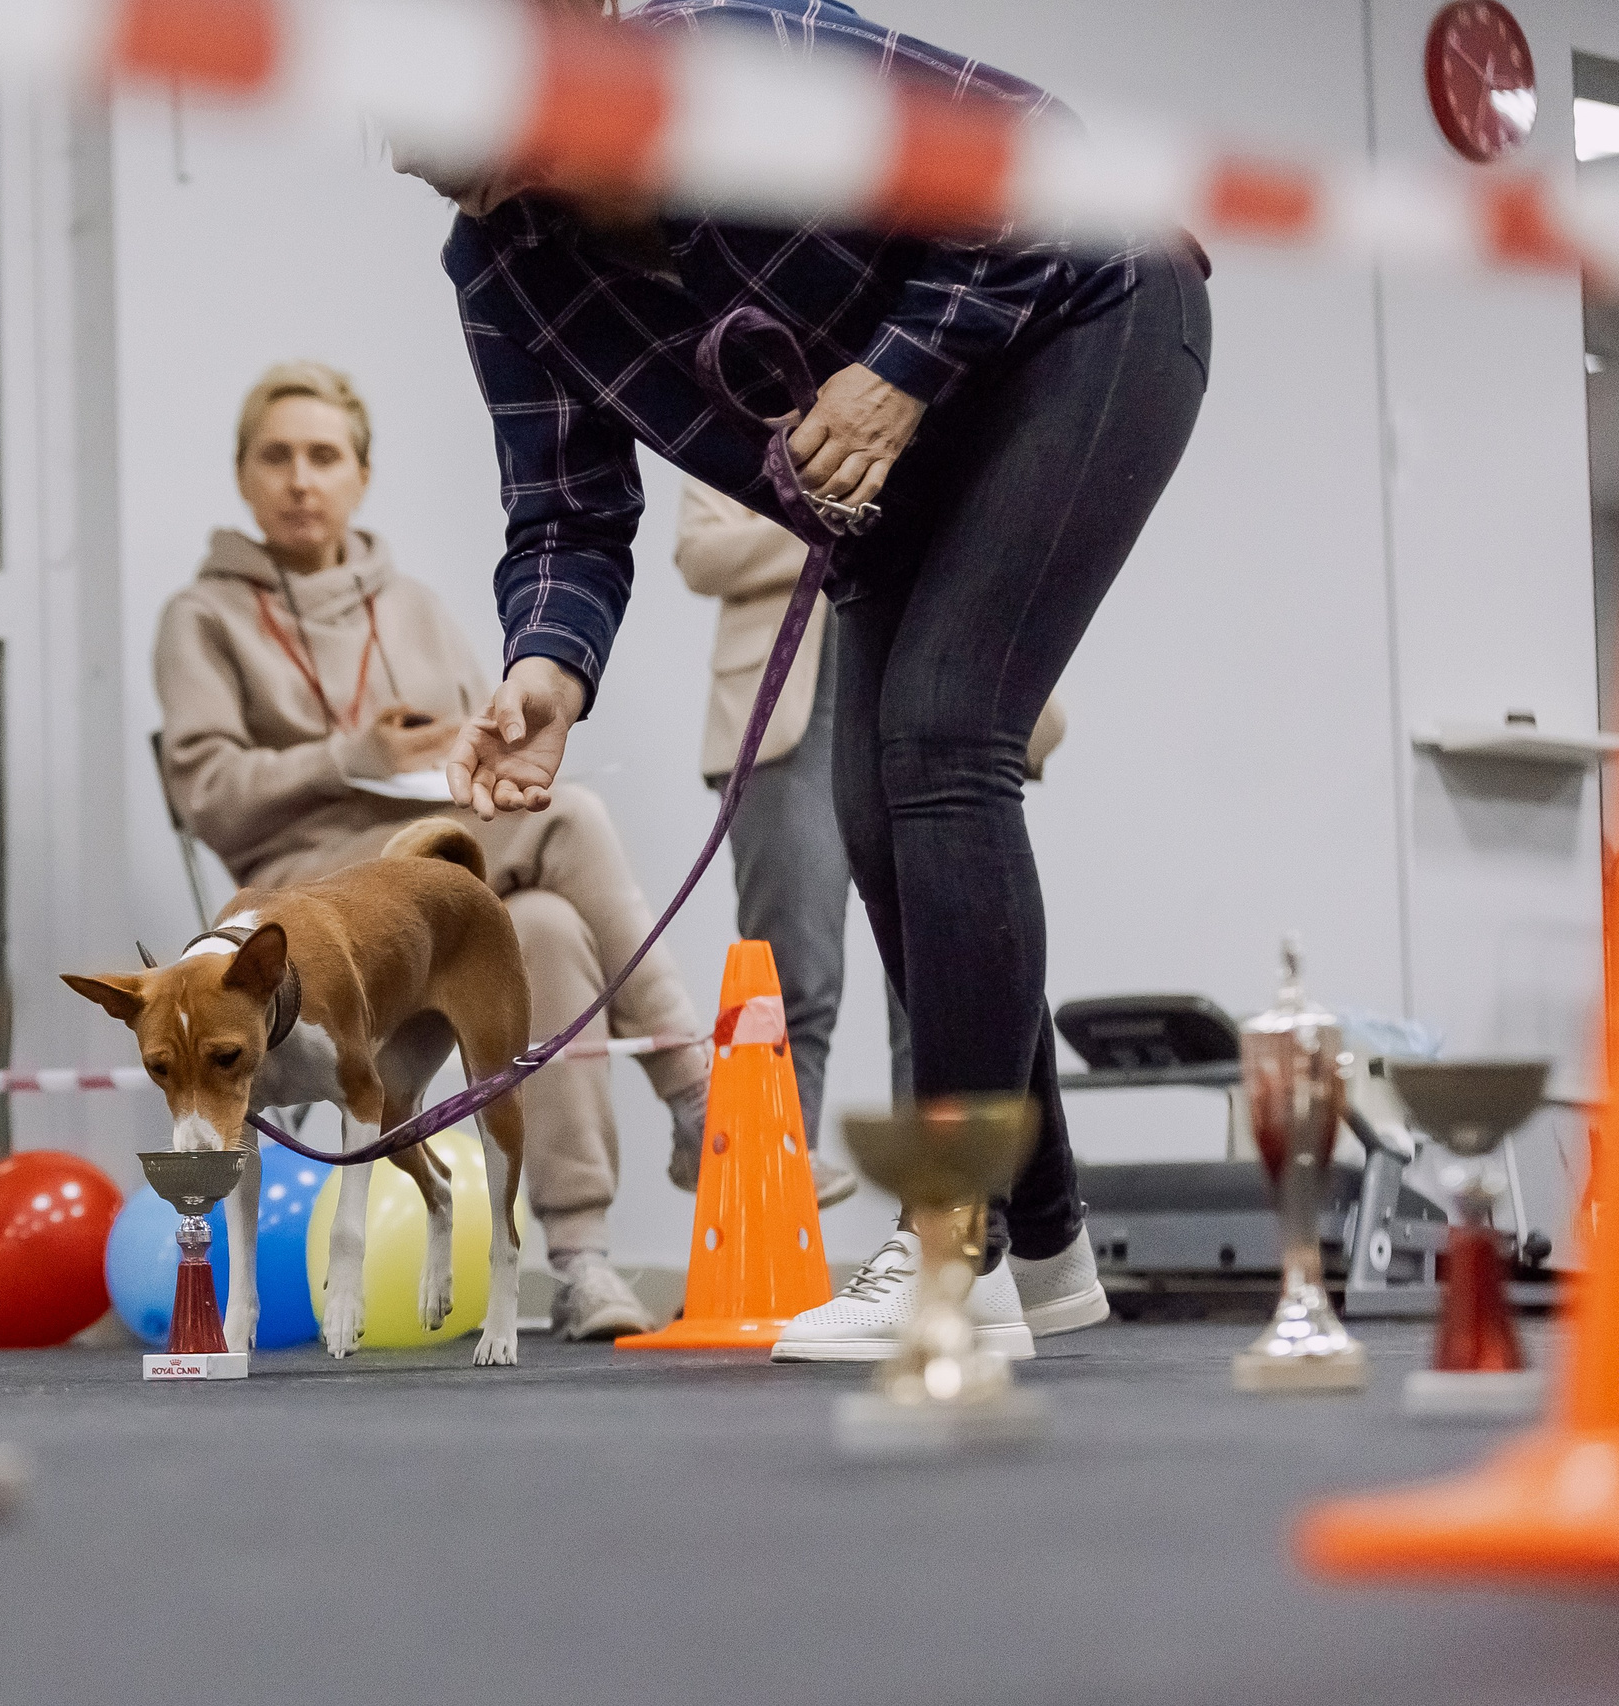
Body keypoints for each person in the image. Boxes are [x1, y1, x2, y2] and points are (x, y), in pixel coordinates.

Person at [430, 0, 1208, 1359]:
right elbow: (565, 512)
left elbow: (1036, 152)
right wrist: (547, 664)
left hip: (1093, 309)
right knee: (872, 808)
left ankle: (949, 1238)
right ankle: (1052, 1246)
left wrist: (899, 372)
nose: (426, 154)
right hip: (898, 484)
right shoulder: (498, 266)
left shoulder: (742, 58)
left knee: (942, 743)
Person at [154, 360, 715, 1340]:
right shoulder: (201, 616)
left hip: (416, 869)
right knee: (570, 818)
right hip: (301, 904)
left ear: (360, 476)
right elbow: (207, 795)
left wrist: (450, 756)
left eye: (323, 455)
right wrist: (347, 755)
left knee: (538, 923)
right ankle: (697, 1092)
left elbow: (475, 752)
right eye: (276, 455)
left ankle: (578, 1255)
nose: (300, 478)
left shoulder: (411, 604)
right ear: (242, 475)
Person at [673, 478, 1069, 1203]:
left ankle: (940, 1235)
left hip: (922, 685)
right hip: (783, 724)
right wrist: (837, 518)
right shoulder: (742, 401)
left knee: (933, 978)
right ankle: (763, 1219)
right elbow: (701, 554)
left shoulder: (921, 388)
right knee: (791, 975)